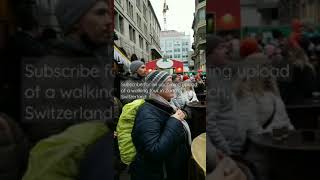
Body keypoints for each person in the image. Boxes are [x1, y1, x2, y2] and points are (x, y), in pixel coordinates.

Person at [130, 70, 191, 180]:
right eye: (167, 83)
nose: (172, 86)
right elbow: (154, 151)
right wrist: (174, 121)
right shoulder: (147, 113)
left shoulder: (165, 105)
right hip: (160, 174)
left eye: (171, 82)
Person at [206, 35, 243, 155]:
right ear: (211, 53)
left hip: (233, 146)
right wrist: (226, 150)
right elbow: (209, 123)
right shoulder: (212, 80)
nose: (226, 51)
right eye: (221, 47)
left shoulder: (220, 73)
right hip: (227, 150)